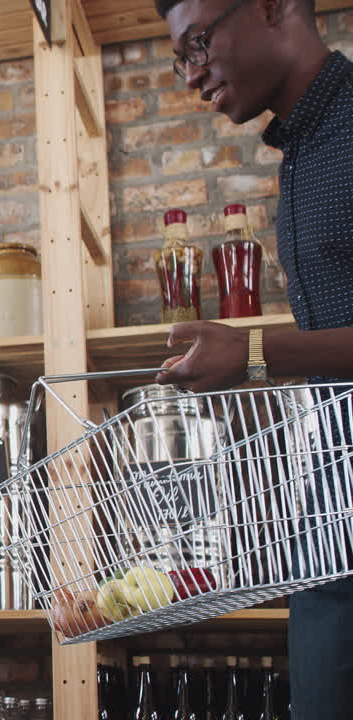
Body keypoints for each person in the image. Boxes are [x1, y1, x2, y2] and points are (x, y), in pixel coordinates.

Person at [155, 0, 353, 714]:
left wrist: (257, 352)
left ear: (272, 6)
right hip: (336, 488)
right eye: (181, 58)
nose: (191, 75)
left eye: (198, 43)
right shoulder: (304, 151)